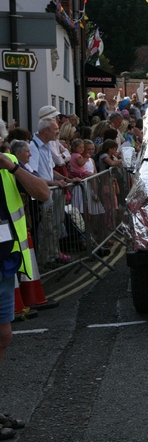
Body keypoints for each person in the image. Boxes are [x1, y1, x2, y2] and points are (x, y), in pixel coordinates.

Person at [0, 147, 50, 440]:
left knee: (3, 337)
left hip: (4, 265)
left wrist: (13, 168)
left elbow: (43, 193)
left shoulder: (9, 163)